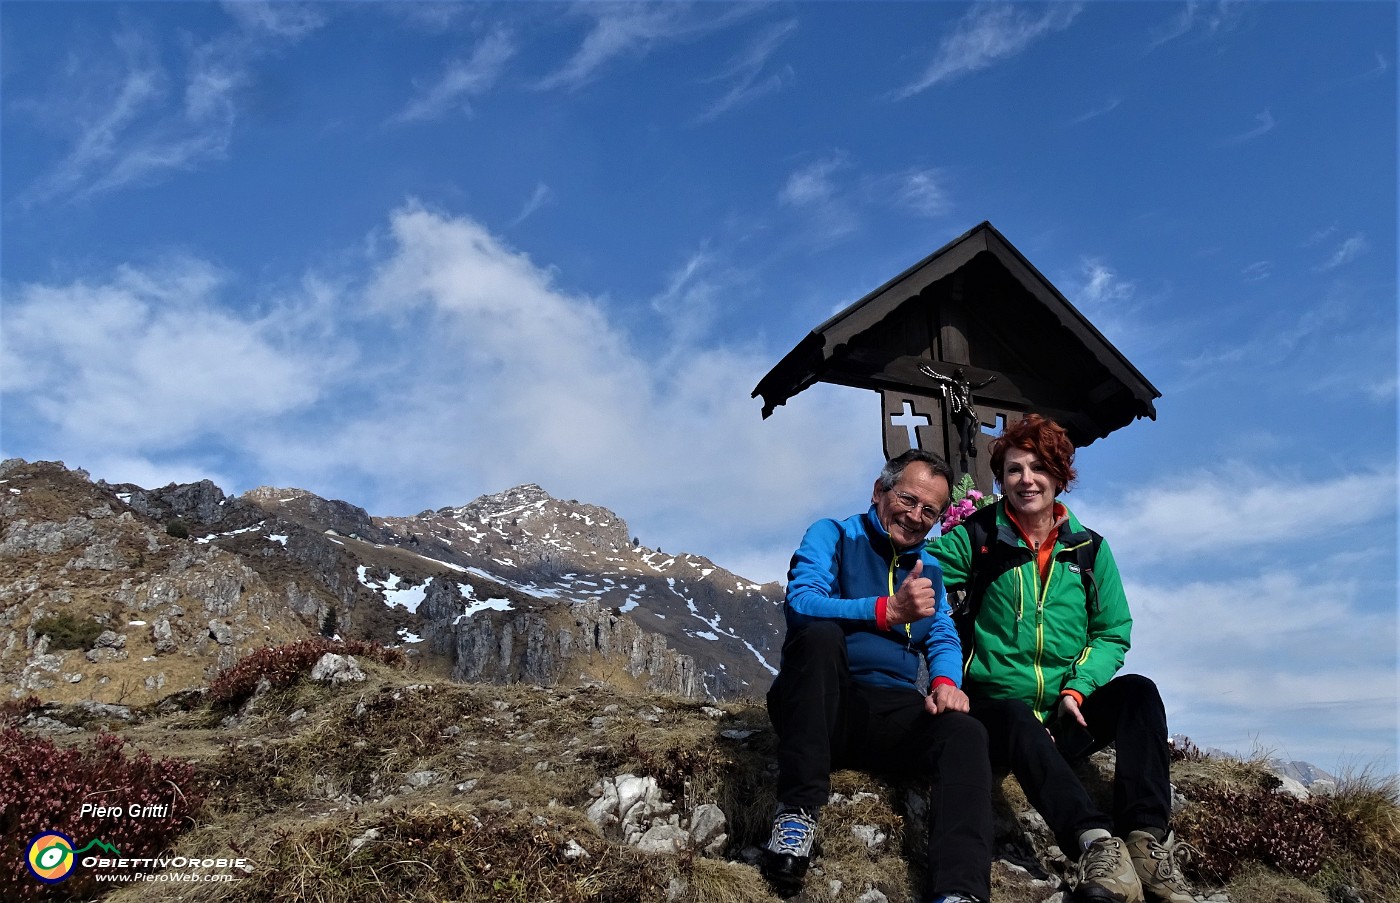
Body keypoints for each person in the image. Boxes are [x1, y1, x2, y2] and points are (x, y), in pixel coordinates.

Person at [929, 415, 1192, 903]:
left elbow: (1113, 631)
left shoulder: (1089, 549)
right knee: (1008, 710)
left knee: (1139, 693)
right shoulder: (977, 538)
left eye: (1038, 467)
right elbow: (919, 570)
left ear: (1060, 475)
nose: (1026, 479)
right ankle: (1096, 844)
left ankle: (1147, 843)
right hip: (999, 718)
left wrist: (1078, 688)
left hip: (1064, 715)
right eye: (1013, 470)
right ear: (1000, 479)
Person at [763, 449, 993, 903]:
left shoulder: (930, 570)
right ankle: (797, 813)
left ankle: (960, 892)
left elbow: (943, 633)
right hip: (820, 701)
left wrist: (946, 682)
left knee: (964, 732)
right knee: (820, 636)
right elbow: (802, 603)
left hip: (888, 709)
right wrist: (887, 611)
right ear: (879, 491)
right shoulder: (832, 535)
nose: (916, 516)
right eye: (908, 499)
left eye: (931, 511)